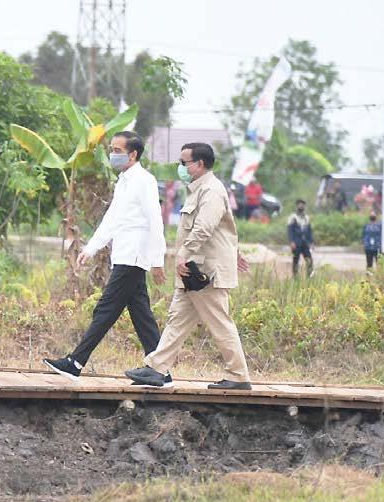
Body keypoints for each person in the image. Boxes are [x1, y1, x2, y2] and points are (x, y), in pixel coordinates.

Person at [125, 142, 252, 391]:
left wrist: (183, 254)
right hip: (194, 272)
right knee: (177, 320)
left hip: (206, 273)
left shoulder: (211, 191)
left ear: (199, 164)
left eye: (183, 163)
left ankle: (238, 376)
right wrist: (233, 251)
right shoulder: (198, 190)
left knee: (219, 322)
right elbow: (224, 229)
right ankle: (157, 369)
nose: (180, 168)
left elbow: (204, 227)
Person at [43, 130, 166, 380]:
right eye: (111, 150)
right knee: (142, 315)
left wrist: (157, 260)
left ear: (133, 154)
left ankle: (75, 362)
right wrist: (91, 248)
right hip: (123, 254)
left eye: (118, 151)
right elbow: (112, 220)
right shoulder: (124, 182)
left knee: (106, 309)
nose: (112, 155)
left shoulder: (144, 180)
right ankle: (161, 370)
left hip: (134, 256)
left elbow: (156, 221)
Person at [286, 199, 314, 278]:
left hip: (305, 243)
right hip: (296, 242)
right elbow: (290, 230)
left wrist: (311, 242)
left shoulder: (307, 218)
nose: (301, 206)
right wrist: (291, 241)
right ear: (297, 206)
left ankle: (310, 276)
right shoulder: (292, 217)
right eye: (300, 204)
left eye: (303, 204)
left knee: (309, 259)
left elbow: (309, 231)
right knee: (296, 260)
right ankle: (295, 276)